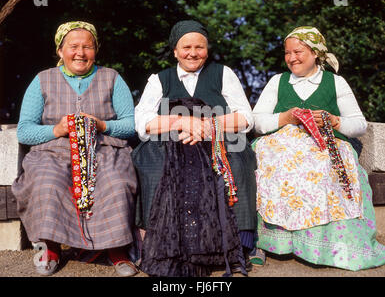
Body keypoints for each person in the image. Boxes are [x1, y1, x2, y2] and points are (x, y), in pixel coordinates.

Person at [252, 26, 385, 270]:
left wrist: (335, 121)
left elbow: (359, 124)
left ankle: (324, 246)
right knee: (275, 165)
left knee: (323, 167)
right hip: (282, 143)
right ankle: (268, 241)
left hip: (326, 143)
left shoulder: (335, 82)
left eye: (298, 52)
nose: (292, 58)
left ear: (315, 52)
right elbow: (257, 120)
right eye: (287, 53)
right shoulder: (277, 81)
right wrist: (285, 118)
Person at [12, 21, 139, 276]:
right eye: (73, 46)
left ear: (96, 50)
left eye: (87, 47)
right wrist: (56, 130)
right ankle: (50, 247)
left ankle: (116, 249)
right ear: (60, 50)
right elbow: (24, 130)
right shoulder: (42, 80)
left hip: (103, 149)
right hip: (52, 152)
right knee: (47, 180)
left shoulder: (111, 77)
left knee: (116, 180)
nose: (80, 53)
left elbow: (132, 124)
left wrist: (103, 124)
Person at [133, 20, 257, 276]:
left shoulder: (223, 74)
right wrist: (180, 121)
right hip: (170, 142)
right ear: (175, 51)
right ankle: (159, 246)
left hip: (218, 140)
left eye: (199, 47)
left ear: (207, 49)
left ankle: (238, 248)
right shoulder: (159, 79)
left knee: (236, 164)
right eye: (186, 47)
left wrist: (207, 125)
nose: (192, 53)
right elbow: (141, 122)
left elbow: (246, 117)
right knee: (154, 167)